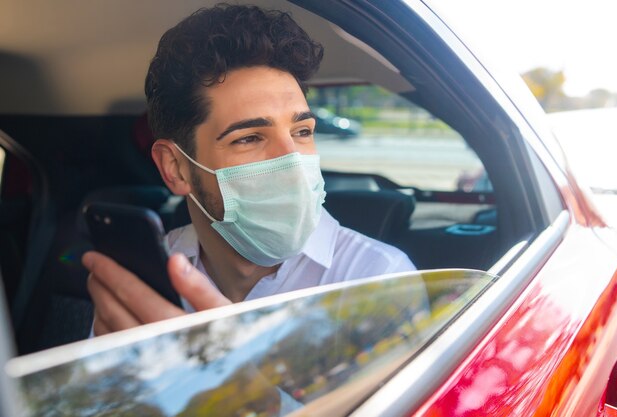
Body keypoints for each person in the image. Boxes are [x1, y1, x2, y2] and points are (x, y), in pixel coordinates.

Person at [83, 4, 416, 337]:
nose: (292, 161)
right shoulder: (148, 279)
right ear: (176, 168)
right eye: (250, 138)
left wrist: (234, 378)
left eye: (302, 132)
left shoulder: (378, 280)